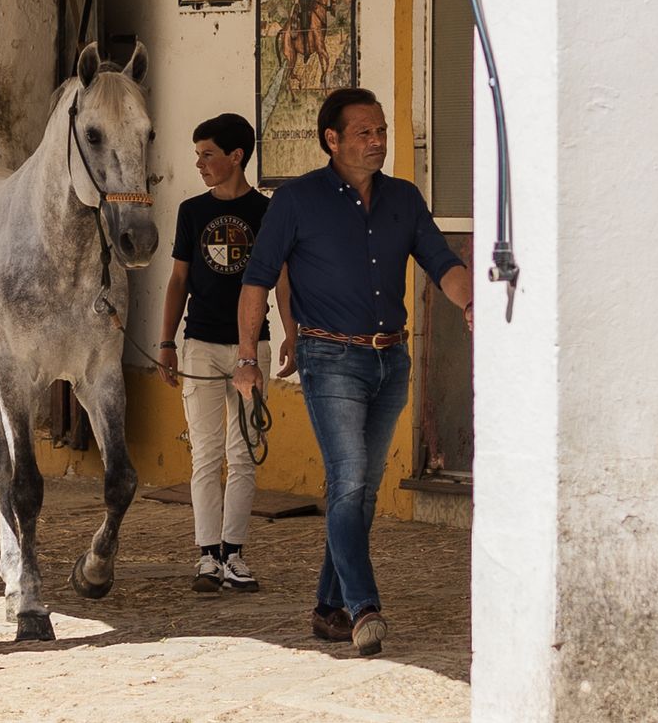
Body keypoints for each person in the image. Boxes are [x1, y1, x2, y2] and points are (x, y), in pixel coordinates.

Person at [235, 88, 472, 657]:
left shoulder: (404, 199)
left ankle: (326, 607)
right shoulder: (296, 201)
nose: (378, 142)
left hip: (391, 360)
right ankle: (364, 607)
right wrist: (247, 360)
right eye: (365, 132)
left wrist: (470, 303)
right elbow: (257, 281)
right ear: (331, 139)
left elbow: (442, 262)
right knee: (349, 481)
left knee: (360, 493)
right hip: (330, 358)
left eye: (382, 131)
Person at [158, 114, 294, 594]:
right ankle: (206, 556)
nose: (199, 164)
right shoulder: (191, 211)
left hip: (249, 348)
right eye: (197, 155)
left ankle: (234, 552)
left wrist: (289, 334)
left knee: (243, 454)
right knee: (205, 453)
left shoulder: (268, 211)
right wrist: (167, 342)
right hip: (198, 345)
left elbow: (281, 280)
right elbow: (178, 280)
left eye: (207, 154)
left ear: (236, 156)